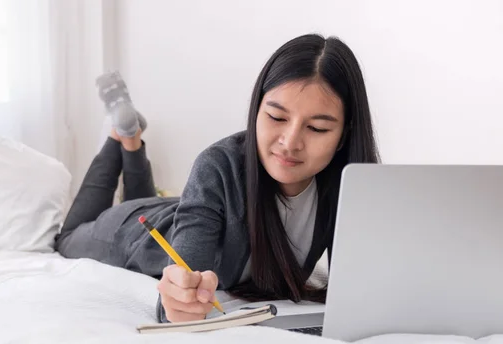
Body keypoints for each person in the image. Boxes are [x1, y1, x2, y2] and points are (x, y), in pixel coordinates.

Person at [55, 33, 380, 323]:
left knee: (149, 198)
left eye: (317, 128)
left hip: (185, 208)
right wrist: (178, 302)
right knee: (67, 238)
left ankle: (130, 137)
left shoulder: (346, 186)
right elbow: (172, 306)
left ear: (343, 135)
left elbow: (355, 294)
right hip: (131, 230)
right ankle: (121, 137)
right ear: (256, 110)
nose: (290, 142)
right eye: (277, 117)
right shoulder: (219, 165)